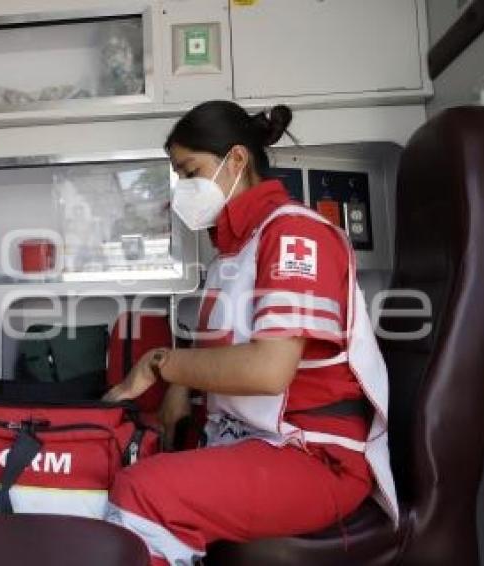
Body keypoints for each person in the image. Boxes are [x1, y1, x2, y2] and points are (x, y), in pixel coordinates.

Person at [103, 101, 399, 566]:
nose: (182, 189)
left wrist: (163, 363)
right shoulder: (232, 252)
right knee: (122, 458)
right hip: (249, 438)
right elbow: (224, 347)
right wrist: (181, 387)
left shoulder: (295, 237)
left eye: (190, 171)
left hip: (315, 458)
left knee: (143, 491)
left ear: (236, 160)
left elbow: (268, 369)